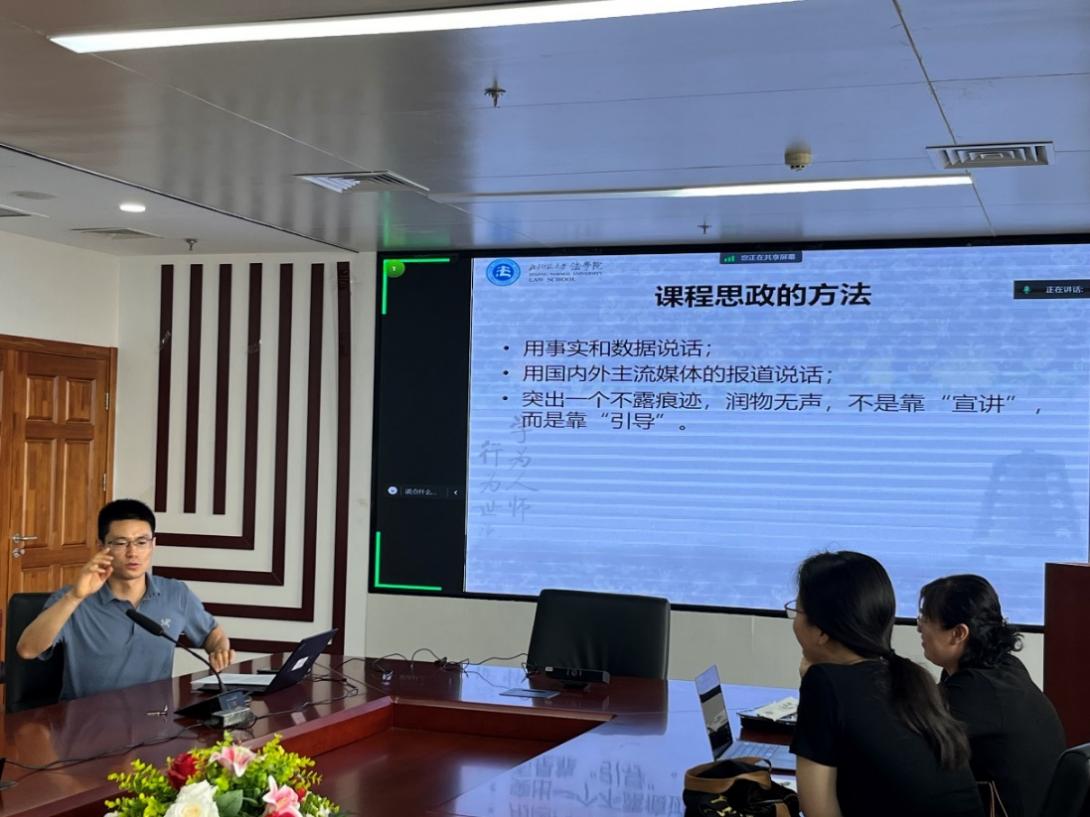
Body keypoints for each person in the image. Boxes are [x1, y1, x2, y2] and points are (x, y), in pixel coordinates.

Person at [788, 551, 983, 817]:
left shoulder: (824, 682)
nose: (794, 621)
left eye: (797, 611)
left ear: (821, 631)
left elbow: (817, 811)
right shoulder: (911, 677)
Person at [16, 498, 235, 700]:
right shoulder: (72, 599)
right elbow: (27, 649)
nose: (133, 553)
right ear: (102, 547)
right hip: (88, 721)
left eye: (141, 542)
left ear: (153, 544)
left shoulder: (176, 594)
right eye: (121, 543)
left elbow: (212, 634)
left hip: (153, 720)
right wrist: (75, 596)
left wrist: (219, 650)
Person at [918, 575, 1066, 817]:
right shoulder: (1004, 668)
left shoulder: (976, 691)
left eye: (926, 619)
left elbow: (906, 739)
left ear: (959, 633)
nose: (919, 627)